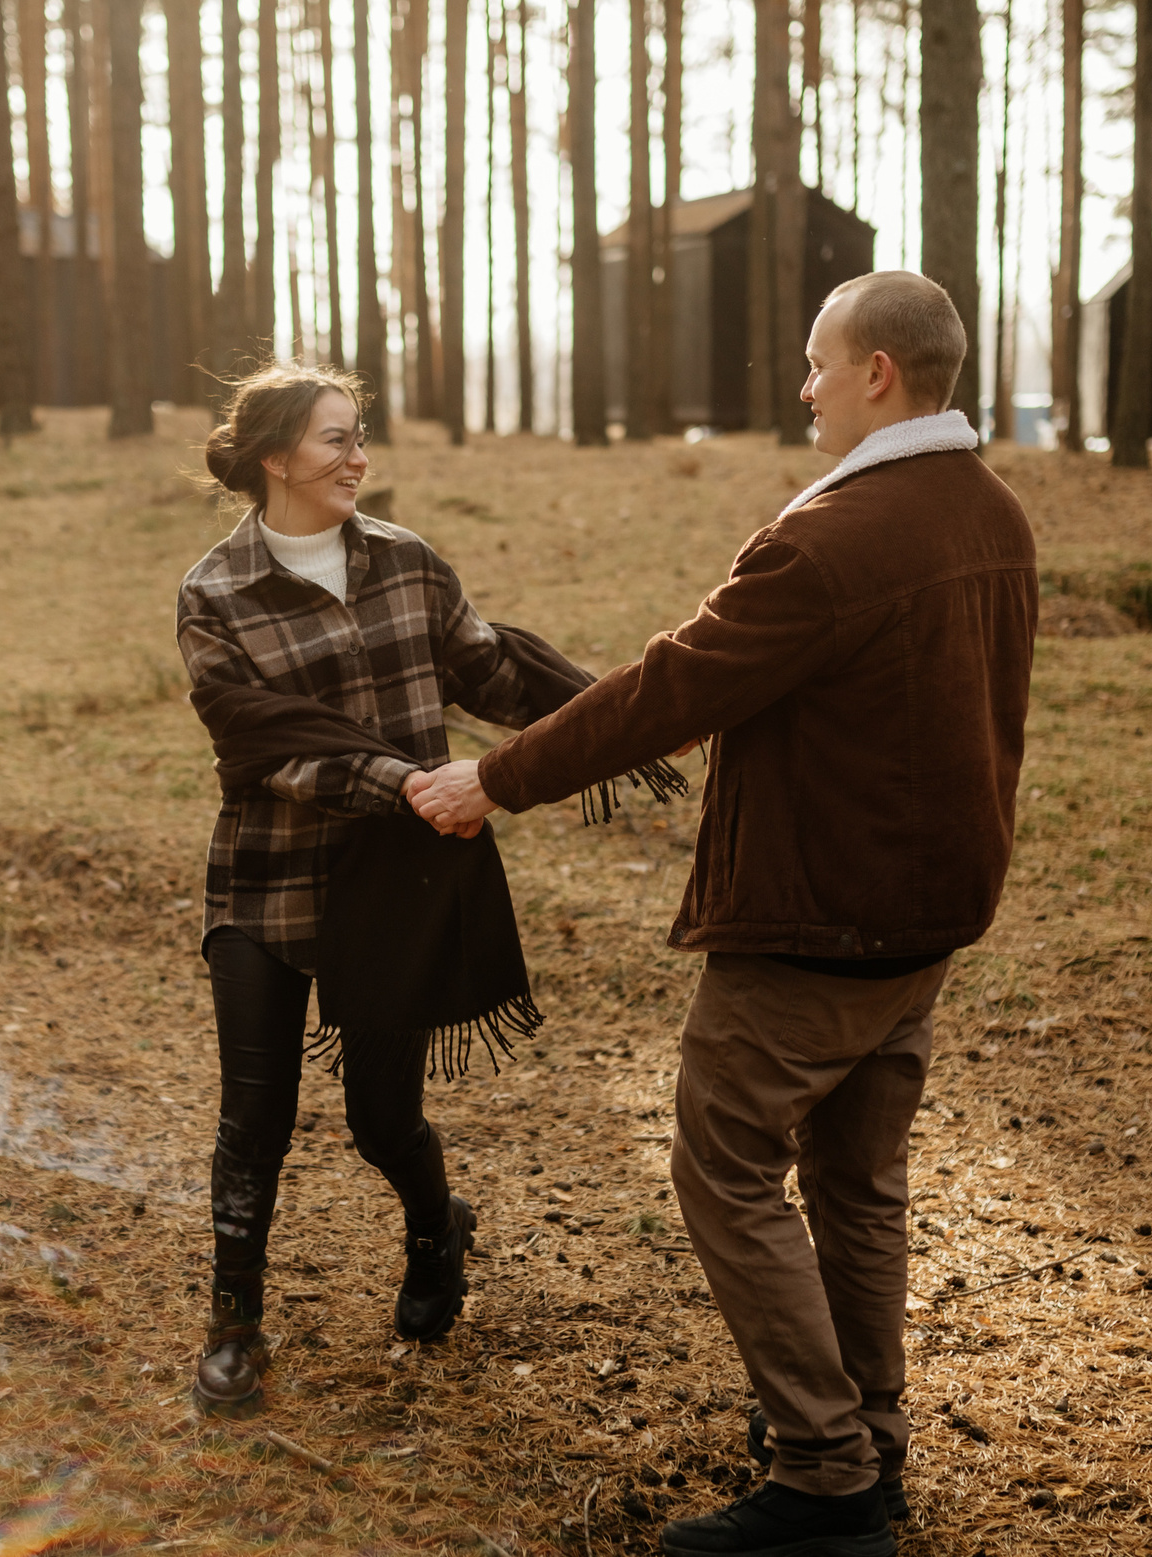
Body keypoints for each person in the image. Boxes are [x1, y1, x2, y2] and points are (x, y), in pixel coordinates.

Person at [410, 272, 1038, 1557]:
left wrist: (495, 776)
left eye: (818, 362)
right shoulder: (990, 509)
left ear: (879, 374)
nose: (802, 386)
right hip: (927, 917)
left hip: (821, 916)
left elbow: (674, 684)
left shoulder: (834, 538)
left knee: (725, 1165)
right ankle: (870, 1435)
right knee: (859, 1186)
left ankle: (822, 1477)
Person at [176, 361, 617, 1419]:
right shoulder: (216, 593)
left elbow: (489, 671)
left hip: (397, 881)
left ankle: (435, 1229)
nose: (357, 455)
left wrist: (618, 713)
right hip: (269, 883)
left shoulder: (409, 562)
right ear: (276, 455)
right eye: (335, 438)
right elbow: (265, 744)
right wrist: (410, 781)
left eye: (360, 434)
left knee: (383, 1117)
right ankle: (234, 1325)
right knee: (255, 1118)